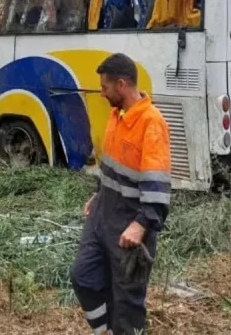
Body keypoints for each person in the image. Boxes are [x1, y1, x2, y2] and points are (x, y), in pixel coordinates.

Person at [71, 53, 171, 335]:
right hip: (104, 213)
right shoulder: (117, 115)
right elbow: (112, 167)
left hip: (130, 222)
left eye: (105, 87)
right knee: (83, 276)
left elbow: (158, 184)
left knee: (126, 301)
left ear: (123, 85)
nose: (102, 93)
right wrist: (98, 193)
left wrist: (141, 224)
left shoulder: (151, 123)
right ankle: (104, 330)